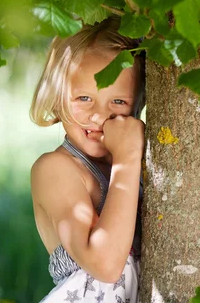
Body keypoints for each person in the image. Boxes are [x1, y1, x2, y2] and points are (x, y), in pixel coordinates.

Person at [29, 15, 146, 302]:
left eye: (118, 102)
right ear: (58, 96)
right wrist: (127, 158)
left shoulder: (144, 164)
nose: (97, 115)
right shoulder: (56, 170)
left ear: (139, 104)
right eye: (83, 98)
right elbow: (105, 265)